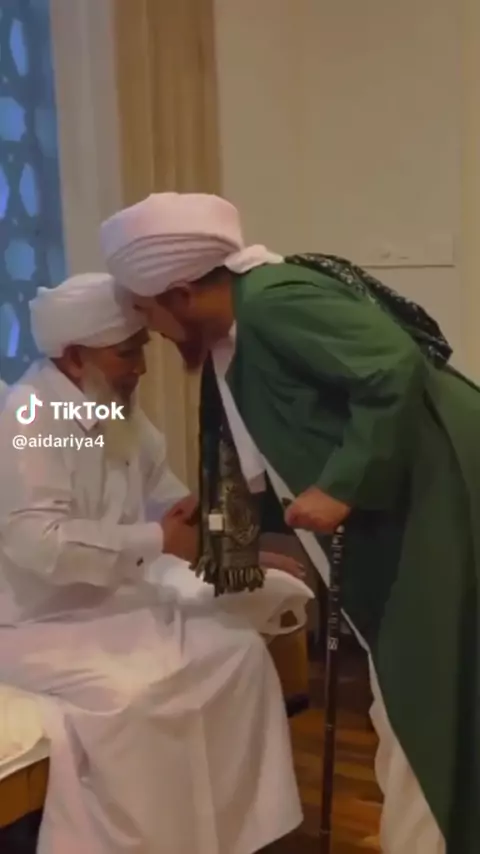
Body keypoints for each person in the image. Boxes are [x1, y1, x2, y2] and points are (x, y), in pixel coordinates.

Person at [100, 192, 480, 854]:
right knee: (421, 699)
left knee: (420, 704)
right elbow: (284, 432)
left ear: (182, 293)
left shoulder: (272, 303)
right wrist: (229, 520)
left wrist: (339, 487)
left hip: (439, 503)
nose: (150, 337)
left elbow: (392, 366)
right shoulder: (241, 324)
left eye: (148, 313)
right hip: (420, 504)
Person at [0, 272, 308, 854]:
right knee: (136, 696)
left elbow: (164, 494)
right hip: (36, 623)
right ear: (74, 357)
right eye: (127, 353)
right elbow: (37, 543)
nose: (141, 367)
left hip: (113, 601)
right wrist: (155, 540)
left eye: (141, 347)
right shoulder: (30, 419)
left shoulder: (111, 409)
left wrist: (231, 546)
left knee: (236, 652)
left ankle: (232, 835)